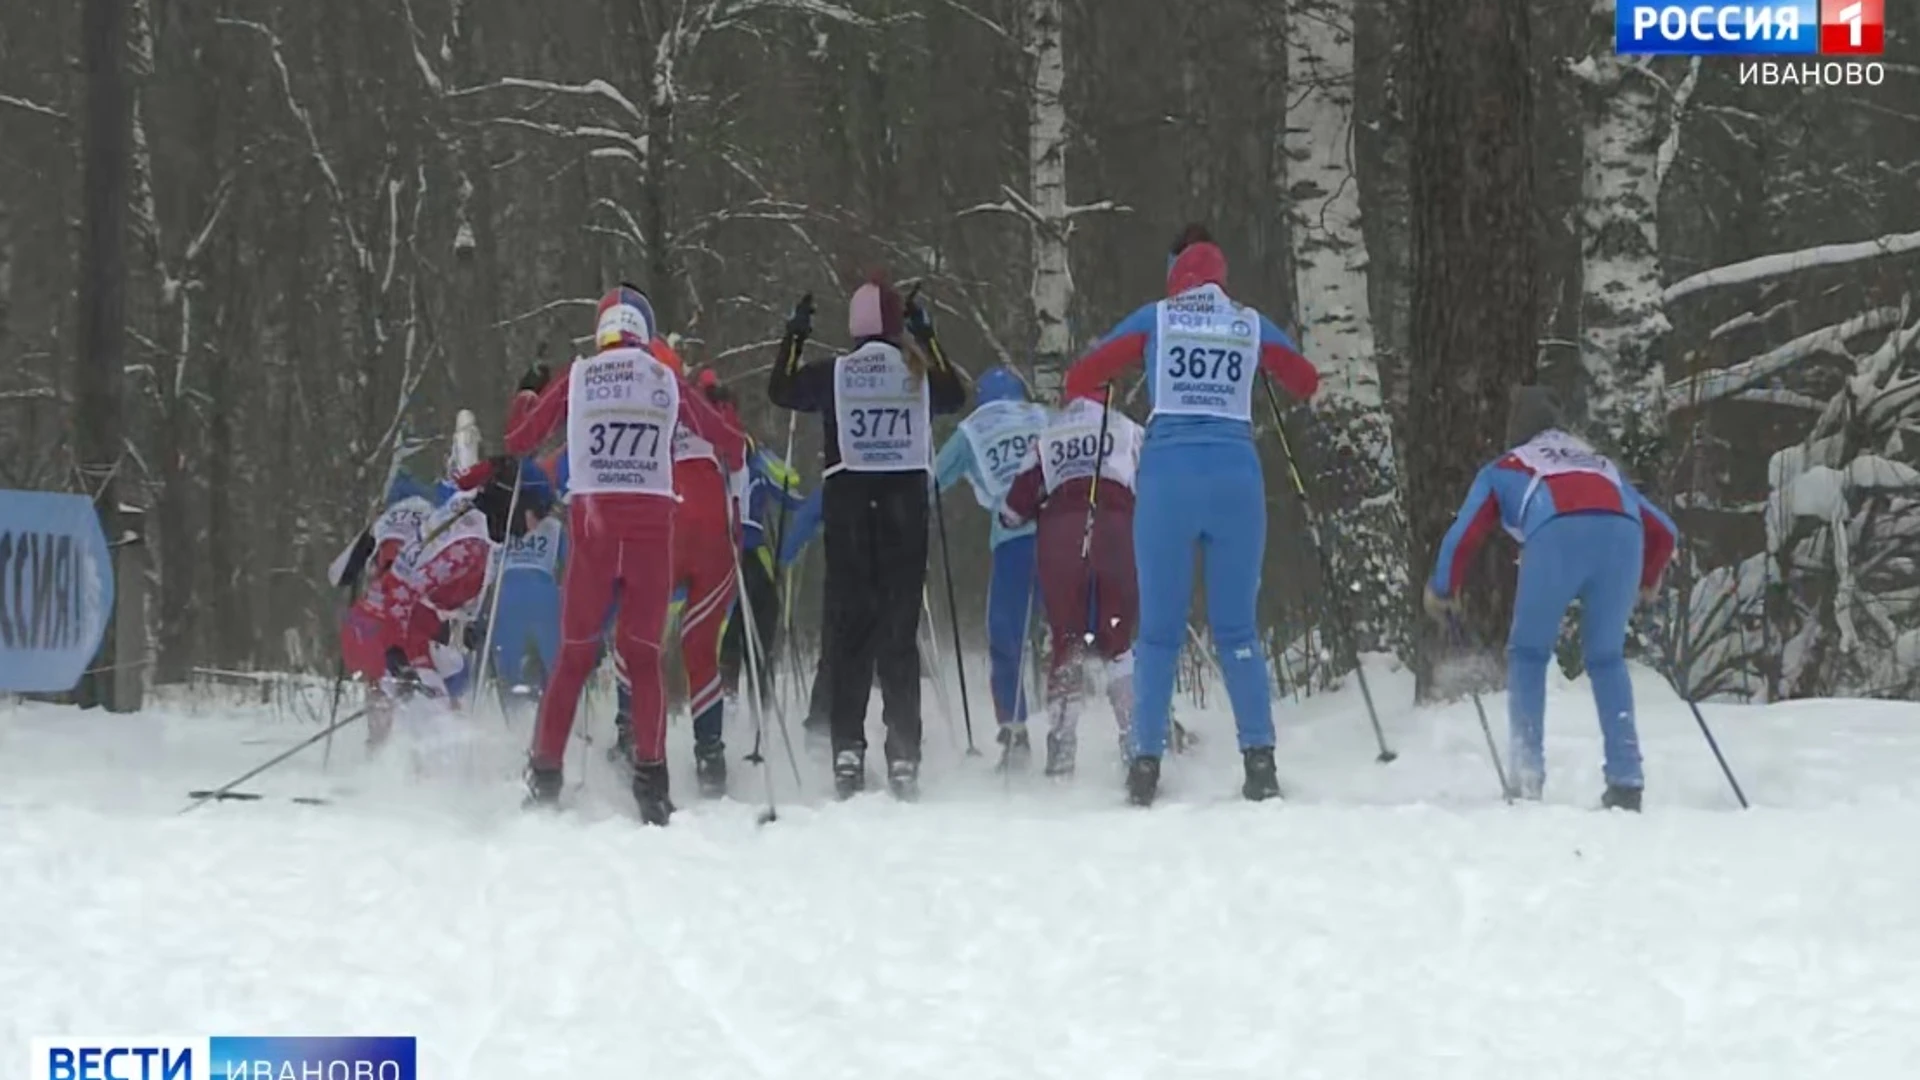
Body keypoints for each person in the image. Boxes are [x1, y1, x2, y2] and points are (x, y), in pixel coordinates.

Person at [1064, 224, 1320, 806]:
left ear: (1174, 270)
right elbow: (1305, 381)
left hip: (1168, 482)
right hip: (1236, 479)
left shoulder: (1157, 317)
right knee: (1236, 629)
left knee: (1156, 633)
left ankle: (1146, 765)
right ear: (1220, 272)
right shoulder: (1249, 323)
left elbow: (1084, 376)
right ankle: (1260, 761)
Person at [504, 285, 744, 824]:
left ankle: (545, 775)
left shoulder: (581, 375)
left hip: (594, 531)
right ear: (644, 330)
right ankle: (651, 781)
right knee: (643, 656)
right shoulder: (665, 379)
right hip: (649, 533)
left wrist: (526, 393)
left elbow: (519, 439)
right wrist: (725, 417)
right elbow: (723, 440)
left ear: (601, 330)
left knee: (573, 658)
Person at [1423, 386, 1677, 811]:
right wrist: (1648, 577)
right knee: (1606, 658)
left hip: (1556, 531)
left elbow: (1464, 532)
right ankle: (1626, 778)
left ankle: (1527, 776)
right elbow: (1665, 530)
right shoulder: (1601, 465)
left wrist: (1444, 587)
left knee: (1528, 652)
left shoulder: (1507, 466)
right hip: (1623, 537)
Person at [766, 276, 967, 799]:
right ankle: (903, 754)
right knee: (898, 635)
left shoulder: (835, 373)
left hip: (851, 509)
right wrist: (929, 337)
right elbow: (954, 393)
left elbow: (781, 388)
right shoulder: (916, 370)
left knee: (851, 633)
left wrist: (795, 335)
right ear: (898, 326)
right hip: (904, 508)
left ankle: (847, 752)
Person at [338, 456, 551, 746]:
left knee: (458, 673)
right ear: (513, 503)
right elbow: (401, 586)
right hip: (391, 632)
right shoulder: (467, 545)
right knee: (439, 723)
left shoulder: (473, 513)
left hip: (409, 629)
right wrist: (395, 651)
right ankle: (409, 775)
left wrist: (471, 621)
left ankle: (398, 750)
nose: (535, 526)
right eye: (536, 514)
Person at [999, 383, 1144, 777]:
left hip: (1061, 533)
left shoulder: (1049, 435)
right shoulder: (1126, 427)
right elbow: (1153, 480)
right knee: (1118, 635)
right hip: (1116, 527)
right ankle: (1137, 740)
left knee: (1067, 638)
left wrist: (1016, 514)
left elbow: (1012, 509)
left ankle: (1062, 744)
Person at [933, 365, 1047, 769]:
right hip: (1063, 537)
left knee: (1006, 635)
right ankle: (1145, 721)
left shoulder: (973, 429)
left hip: (1013, 541)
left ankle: (1015, 732)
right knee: (1087, 629)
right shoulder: (1043, 415)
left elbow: (932, 479)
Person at [664, 362, 746, 797]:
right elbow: (738, 458)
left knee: (636, 635)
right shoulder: (719, 412)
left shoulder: (658, 403)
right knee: (700, 650)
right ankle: (709, 752)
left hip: (668, 525)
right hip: (714, 533)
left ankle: (631, 736)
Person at [486, 456, 564, 709]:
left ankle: (513, 707)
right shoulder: (553, 525)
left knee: (507, 652)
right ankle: (556, 709)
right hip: (542, 589)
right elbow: (572, 562)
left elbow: (489, 565)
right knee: (554, 653)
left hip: (507, 590)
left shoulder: (501, 525)